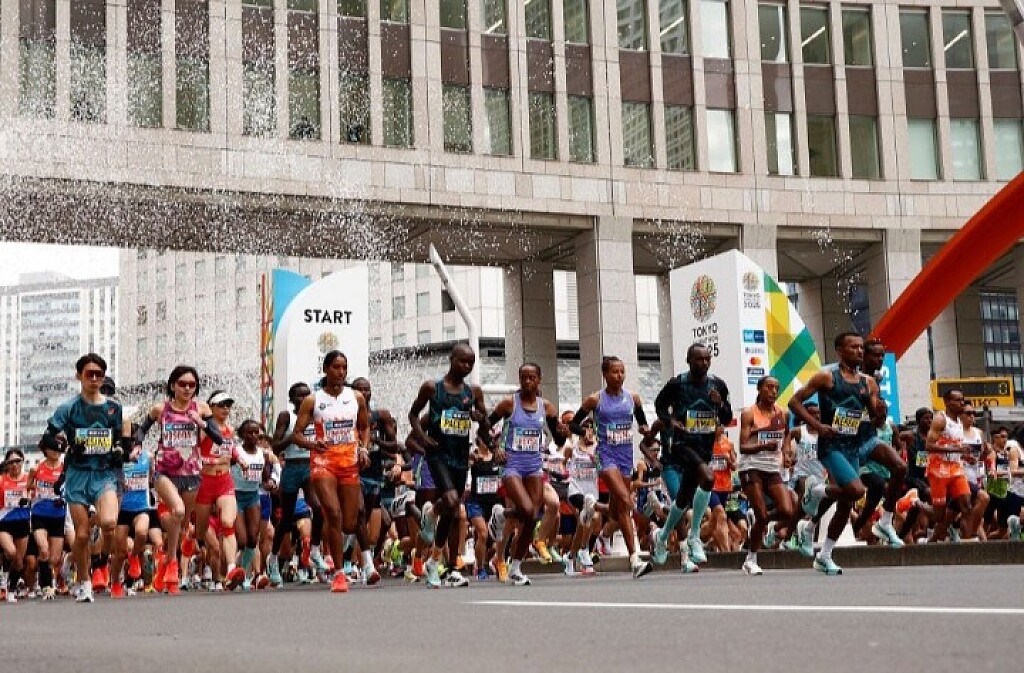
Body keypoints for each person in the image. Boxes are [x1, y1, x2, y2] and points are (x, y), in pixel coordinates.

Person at [788, 333, 906, 576]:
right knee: (857, 490)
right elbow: (794, 402)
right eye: (853, 347)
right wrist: (818, 425)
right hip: (832, 445)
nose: (859, 351)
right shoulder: (826, 377)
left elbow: (873, 418)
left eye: (861, 347)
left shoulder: (868, 382)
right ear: (840, 350)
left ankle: (826, 555)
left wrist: (878, 411)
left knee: (850, 500)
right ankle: (816, 492)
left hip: (857, 442)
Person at [43, 353, 134, 602]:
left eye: (98, 375)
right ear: (79, 376)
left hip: (104, 474)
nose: (94, 379)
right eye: (89, 374)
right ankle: (84, 582)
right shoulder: (69, 408)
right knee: (81, 534)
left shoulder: (113, 408)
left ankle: (101, 556)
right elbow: (48, 437)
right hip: (77, 475)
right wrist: (68, 447)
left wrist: (120, 449)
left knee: (109, 523)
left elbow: (120, 439)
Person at [292, 350, 377, 592]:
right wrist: (312, 444)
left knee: (349, 523)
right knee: (333, 512)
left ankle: (325, 552)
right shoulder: (313, 400)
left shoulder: (356, 397)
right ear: (326, 369)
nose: (341, 372)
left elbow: (364, 427)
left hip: (349, 463)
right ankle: (339, 573)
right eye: (336, 367)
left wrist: (364, 448)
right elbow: (296, 434)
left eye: (344, 368)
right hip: (323, 463)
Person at [408, 343, 491, 588]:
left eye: (470, 363)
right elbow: (413, 415)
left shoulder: (473, 392)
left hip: (460, 457)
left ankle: (436, 560)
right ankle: (433, 519)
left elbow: (485, 424)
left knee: (452, 511)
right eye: (462, 361)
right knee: (453, 501)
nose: (466, 366)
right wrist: (422, 438)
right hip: (438, 454)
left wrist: (480, 420)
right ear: (451, 359)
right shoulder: (432, 388)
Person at [137, 365, 223, 594]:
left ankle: (166, 560)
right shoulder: (161, 409)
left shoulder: (201, 408)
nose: (187, 388)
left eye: (192, 385)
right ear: (173, 385)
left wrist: (202, 423)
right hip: (165, 472)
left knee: (182, 525)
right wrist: (136, 445)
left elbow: (219, 438)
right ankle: (173, 562)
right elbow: (141, 431)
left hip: (191, 474)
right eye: (182, 384)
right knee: (177, 510)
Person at [649, 343, 733, 570]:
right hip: (682, 444)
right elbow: (659, 405)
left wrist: (720, 403)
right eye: (699, 359)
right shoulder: (678, 384)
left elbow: (726, 418)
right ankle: (694, 536)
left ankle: (662, 537)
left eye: (707, 359)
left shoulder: (717, 385)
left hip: (704, 446)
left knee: (683, 499)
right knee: (708, 477)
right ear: (689, 360)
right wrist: (670, 421)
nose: (704, 363)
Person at [570, 356, 653, 579]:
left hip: (625, 457)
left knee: (617, 512)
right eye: (615, 372)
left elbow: (642, 422)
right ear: (605, 374)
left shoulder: (632, 398)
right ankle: (635, 559)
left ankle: (594, 508)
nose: (619, 375)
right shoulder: (595, 400)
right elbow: (573, 423)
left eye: (622, 371)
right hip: (605, 457)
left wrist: (645, 428)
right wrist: (584, 432)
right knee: (626, 502)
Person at [488, 363, 566, 586]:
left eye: (532, 377)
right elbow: (485, 427)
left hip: (533, 466)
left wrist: (562, 432)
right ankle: (502, 520)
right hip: (511, 465)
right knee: (527, 510)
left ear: (539, 380)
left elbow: (558, 439)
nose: (527, 381)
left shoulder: (546, 407)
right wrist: (496, 448)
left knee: (532, 517)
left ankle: (515, 567)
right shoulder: (509, 404)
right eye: (524, 377)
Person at [268, 382, 327, 586]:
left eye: (306, 395)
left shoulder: (316, 415)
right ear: (291, 399)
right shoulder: (287, 417)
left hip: (310, 466)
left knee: (318, 508)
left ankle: (315, 550)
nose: (303, 399)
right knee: (286, 519)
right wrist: (293, 438)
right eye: (298, 396)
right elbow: (275, 447)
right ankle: (273, 559)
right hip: (292, 468)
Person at [737, 376, 793, 575]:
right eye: (769, 387)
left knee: (787, 511)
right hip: (751, 467)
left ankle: (762, 522)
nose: (773, 392)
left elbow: (787, 436)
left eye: (776, 388)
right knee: (761, 515)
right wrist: (763, 446)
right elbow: (743, 447)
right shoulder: (749, 413)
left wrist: (786, 453)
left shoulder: (782, 413)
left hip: (772, 468)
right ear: (759, 389)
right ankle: (751, 559)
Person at [192, 390, 245, 590]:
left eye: (228, 405)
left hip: (224, 481)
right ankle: (190, 545)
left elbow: (229, 449)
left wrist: (239, 459)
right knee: (200, 531)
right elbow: (194, 455)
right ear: (211, 407)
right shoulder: (203, 429)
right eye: (221, 405)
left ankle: (231, 569)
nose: (225, 409)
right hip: (204, 483)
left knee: (227, 522)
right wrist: (213, 461)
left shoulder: (229, 429)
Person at [350, 377, 401, 577]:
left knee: (373, 531)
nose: (363, 393)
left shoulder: (380, 416)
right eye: (359, 389)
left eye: (367, 389)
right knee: (358, 516)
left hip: (374, 476)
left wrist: (374, 440)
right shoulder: (346, 416)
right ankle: (353, 564)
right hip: (353, 474)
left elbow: (394, 446)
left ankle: (364, 561)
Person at [233, 420, 279, 589]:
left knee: (253, 539)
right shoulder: (236, 452)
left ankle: (243, 574)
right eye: (249, 433)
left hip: (253, 496)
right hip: (236, 496)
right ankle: (236, 571)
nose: (253, 436)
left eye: (256, 433)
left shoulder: (262, 454)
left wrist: (271, 483)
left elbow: (265, 478)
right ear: (242, 435)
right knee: (243, 540)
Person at [110, 431, 153, 598]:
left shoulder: (148, 457)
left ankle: (134, 557)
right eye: (130, 440)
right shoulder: (118, 458)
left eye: (136, 440)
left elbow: (152, 478)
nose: (133, 443)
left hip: (141, 506)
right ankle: (115, 582)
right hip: (121, 509)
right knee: (120, 553)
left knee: (142, 532)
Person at [27, 435, 67, 600]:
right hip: (40, 514)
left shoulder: (65, 469)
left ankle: (45, 577)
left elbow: (69, 489)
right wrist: (39, 491)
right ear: (45, 450)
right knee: (43, 549)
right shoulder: (36, 468)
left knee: (55, 558)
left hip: (58, 515)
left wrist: (62, 497)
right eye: (53, 449)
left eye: (59, 450)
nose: (56, 452)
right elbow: (28, 486)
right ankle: (47, 586)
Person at [1, 449, 32, 603]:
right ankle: (3, 577)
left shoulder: (28, 480)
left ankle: (11, 589)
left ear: (22, 462)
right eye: (11, 462)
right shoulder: (1, 480)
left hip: (22, 523)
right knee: (11, 552)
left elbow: (38, 496)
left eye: (17, 461)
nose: (14, 465)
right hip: (4, 522)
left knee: (19, 561)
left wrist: (28, 498)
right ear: (7, 464)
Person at [959, 403, 990, 541]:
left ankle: (968, 539)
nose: (972, 416)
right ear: (960, 415)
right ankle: (970, 535)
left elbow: (981, 457)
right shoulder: (956, 432)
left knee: (969, 513)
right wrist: (964, 456)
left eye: (974, 413)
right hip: (960, 476)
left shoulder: (979, 432)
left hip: (976, 477)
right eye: (968, 413)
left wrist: (985, 453)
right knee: (983, 499)